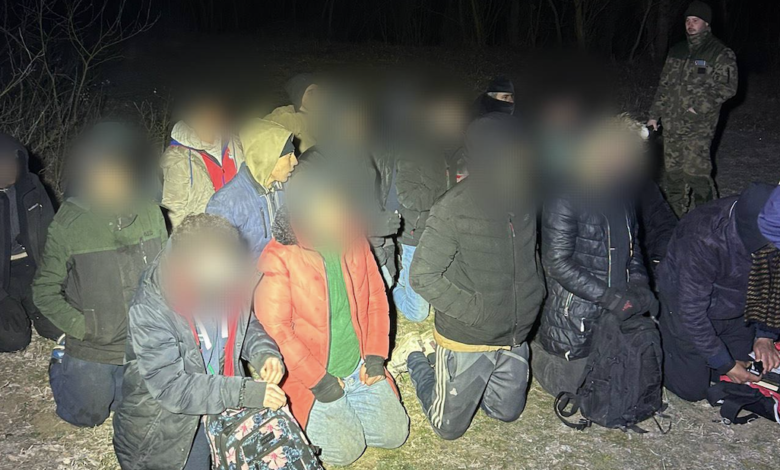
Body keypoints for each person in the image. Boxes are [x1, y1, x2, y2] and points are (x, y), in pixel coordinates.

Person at [396, 113, 544, 440]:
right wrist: (476, 312)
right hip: (468, 335)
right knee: (448, 429)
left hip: (515, 332)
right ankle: (418, 357)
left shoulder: (525, 197)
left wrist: (535, 293)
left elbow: (530, 253)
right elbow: (423, 276)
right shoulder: (453, 207)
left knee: (506, 412)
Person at [255, 162, 409, 466]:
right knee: (345, 451)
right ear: (304, 211)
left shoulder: (352, 235)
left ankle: (349, 404)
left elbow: (376, 297)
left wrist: (375, 356)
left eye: (339, 203)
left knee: (394, 434)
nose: (338, 214)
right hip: (312, 376)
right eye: (327, 207)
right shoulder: (280, 257)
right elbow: (277, 330)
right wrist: (321, 382)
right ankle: (326, 411)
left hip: (357, 364)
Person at [113, 213, 286, 470]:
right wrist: (244, 392)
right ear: (185, 267)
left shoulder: (226, 272)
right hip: (168, 424)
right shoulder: (150, 308)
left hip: (219, 395)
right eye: (215, 276)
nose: (225, 283)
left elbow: (244, 323)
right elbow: (172, 387)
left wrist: (263, 352)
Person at [33, 122, 168, 427]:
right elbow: (44, 290)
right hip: (94, 343)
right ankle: (61, 361)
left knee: (136, 410)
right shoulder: (70, 224)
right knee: (86, 417)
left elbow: (164, 273)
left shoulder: (150, 213)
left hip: (139, 339)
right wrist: (82, 327)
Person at [533, 115, 657, 397]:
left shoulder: (623, 194)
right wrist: (609, 298)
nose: (623, 161)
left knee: (616, 378)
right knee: (570, 389)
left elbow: (634, 247)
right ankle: (531, 351)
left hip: (616, 302)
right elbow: (556, 263)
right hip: (576, 307)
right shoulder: (566, 193)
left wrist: (640, 285)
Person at [657, 183, 778, 402]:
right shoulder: (703, 238)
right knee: (693, 389)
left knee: (749, 368)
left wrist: (765, 335)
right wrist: (725, 363)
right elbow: (691, 311)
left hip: (737, 306)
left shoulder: (771, 222)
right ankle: (659, 333)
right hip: (687, 308)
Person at [647, 0, 738, 217]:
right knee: (673, 175)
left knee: (696, 175)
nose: (690, 24)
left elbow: (727, 87)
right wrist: (654, 115)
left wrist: (697, 108)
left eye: (695, 20)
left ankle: (707, 220)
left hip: (699, 126)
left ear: (706, 23)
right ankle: (676, 220)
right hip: (671, 124)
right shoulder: (676, 50)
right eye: (688, 20)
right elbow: (664, 86)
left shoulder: (720, 53)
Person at [206, 119, 298, 261]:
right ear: (267, 159)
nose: (295, 161)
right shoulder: (225, 204)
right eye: (289, 156)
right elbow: (219, 262)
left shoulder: (288, 186)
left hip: (286, 269)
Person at [0, 133, 60, 351]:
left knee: (60, 326)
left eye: (11, 162)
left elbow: (50, 232)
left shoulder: (31, 186)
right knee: (13, 339)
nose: (7, 169)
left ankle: (33, 306)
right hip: (3, 276)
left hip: (30, 265)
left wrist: (53, 278)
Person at [161, 94, 244, 228]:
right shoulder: (179, 158)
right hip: (208, 232)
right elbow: (173, 211)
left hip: (243, 227)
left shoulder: (234, 144)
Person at [265, 73, 318, 153]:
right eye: (311, 93)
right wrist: (306, 119)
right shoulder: (283, 114)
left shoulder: (324, 115)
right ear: (298, 95)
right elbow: (268, 127)